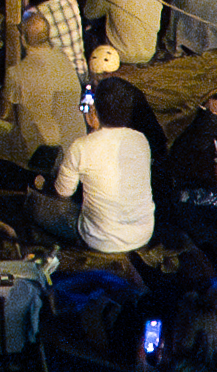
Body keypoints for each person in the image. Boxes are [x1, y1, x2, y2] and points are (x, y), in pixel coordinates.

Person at [35, 89, 154, 257]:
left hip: (100, 241)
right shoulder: (141, 139)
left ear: (94, 113)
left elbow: (63, 193)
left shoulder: (81, 146)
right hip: (143, 235)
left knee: (38, 208)